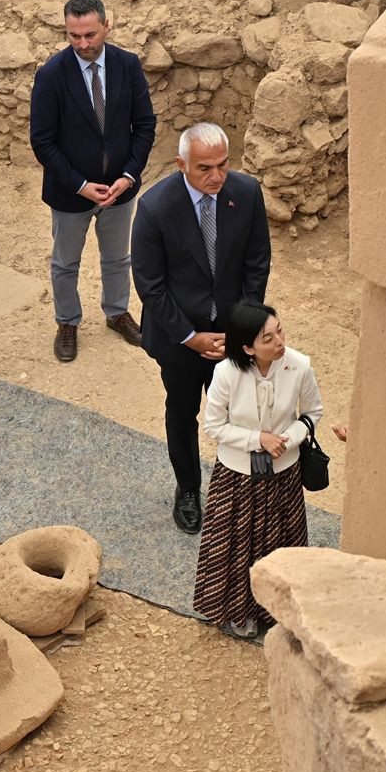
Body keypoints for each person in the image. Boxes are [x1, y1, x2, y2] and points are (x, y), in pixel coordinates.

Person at [131, 123, 271, 535]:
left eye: (223, 165)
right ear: (181, 165)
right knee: (182, 411)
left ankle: (243, 491)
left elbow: (256, 264)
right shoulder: (156, 207)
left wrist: (238, 329)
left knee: (242, 413)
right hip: (180, 338)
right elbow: (150, 285)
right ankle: (189, 489)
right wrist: (191, 338)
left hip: (231, 334)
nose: (216, 176)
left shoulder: (246, 194)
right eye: (204, 168)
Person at [30, 0, 156, 363]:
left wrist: (129, 176)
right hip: (71, 193)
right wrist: (80, 185)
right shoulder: (52, 74)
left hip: (119, 189)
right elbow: (42, 140)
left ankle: (117, 313)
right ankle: (67, 322)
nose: (83, 44)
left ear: (106, 26)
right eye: (74, 36)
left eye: (90, 35)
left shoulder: (128, 65)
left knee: (118, 258)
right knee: (65, 263)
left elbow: (144, 125)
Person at [193, 301, 323, 639]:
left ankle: (275, 612)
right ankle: (236, 612)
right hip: (236, 475)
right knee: (233, 546)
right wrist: (257, 439)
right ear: (248, 347)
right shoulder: (226, 373)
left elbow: (312, 413)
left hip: (284, 473)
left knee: (280, 545)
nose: (280, 341)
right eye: (269, 338)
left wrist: (287, 439)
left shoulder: (299, 366)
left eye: (279, 330)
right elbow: (213, 426)